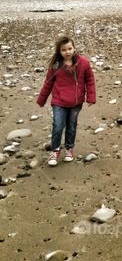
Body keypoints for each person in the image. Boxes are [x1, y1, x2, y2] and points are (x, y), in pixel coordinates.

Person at [36, 36, 96, 166]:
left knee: (72, 125)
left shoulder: (83, 63)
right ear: (59, 51)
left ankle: (69, 148)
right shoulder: (56, 66)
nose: (67, 52)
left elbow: (90, 80)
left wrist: (91, 98)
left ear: (74, 48)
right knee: (58, 125)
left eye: (70, 48)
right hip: (59, 101)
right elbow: (48, 83)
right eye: (64, 50)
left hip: (76, 102)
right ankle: (55, 150)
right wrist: (42, 99)